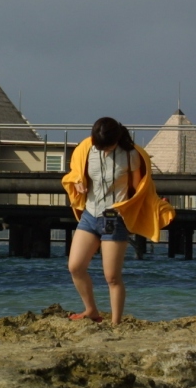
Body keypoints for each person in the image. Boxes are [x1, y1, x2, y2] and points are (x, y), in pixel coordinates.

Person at [61, 117, 175, 325]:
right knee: (75, 267)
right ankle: (91, 310)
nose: (103, 149)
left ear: (116, 139)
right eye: (99, 145)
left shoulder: (132, 155)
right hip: (89, 216)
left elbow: (139, 189)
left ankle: (115, 323)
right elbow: (76, 173)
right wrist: (78, 183)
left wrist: (152, 207)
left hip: (115, 218)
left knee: (112, 277)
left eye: (107, 146)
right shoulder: (86, 149)